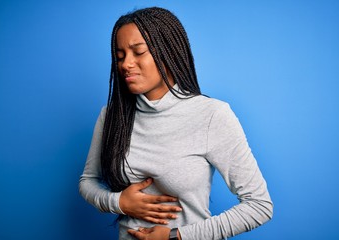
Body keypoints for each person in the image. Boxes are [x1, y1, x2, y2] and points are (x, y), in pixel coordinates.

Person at [79, 6, 273, 240]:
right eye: (120, 56)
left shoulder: (211, 115)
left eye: (138, 52)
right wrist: (118, 202)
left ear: (168, 52)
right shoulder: (112, 116)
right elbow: (88, 182)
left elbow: (259, 205)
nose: (125, 64)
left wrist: (175, 235)